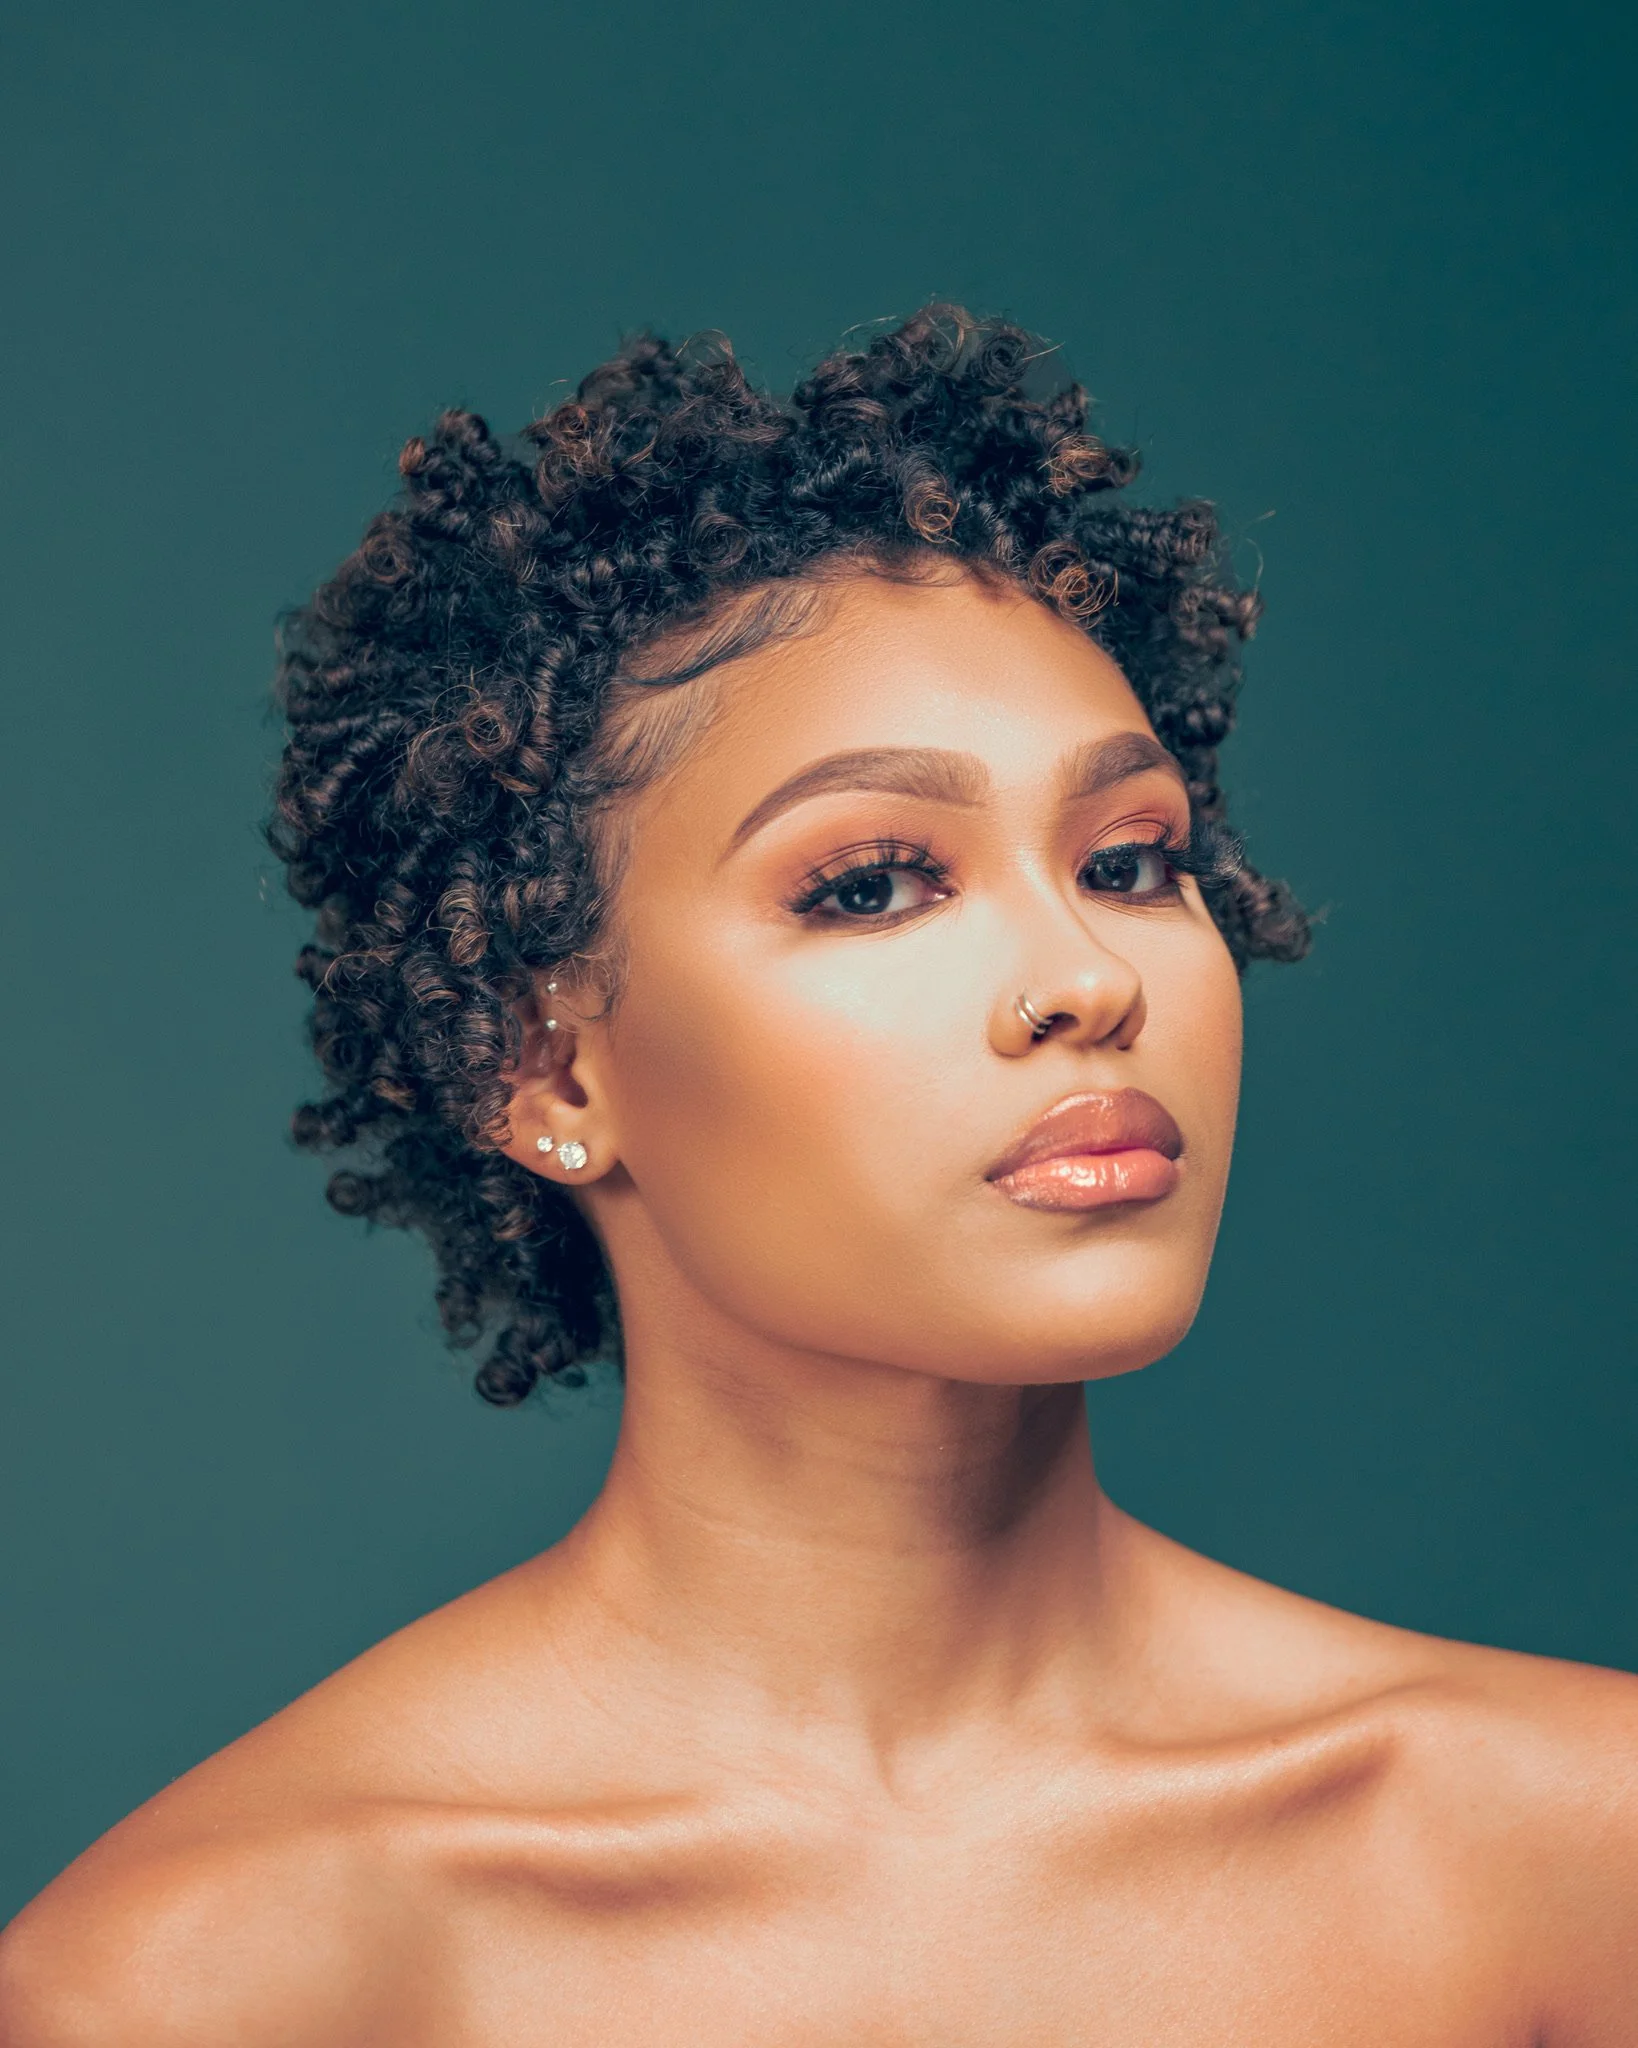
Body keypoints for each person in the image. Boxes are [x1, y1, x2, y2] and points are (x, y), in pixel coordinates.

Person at [2, 306, 1634, 2044]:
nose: (1088, 978)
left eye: (1128, 860)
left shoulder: (1567, 1849)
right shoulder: (215, 1984)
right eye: (869, 885)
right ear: (544, 1070)